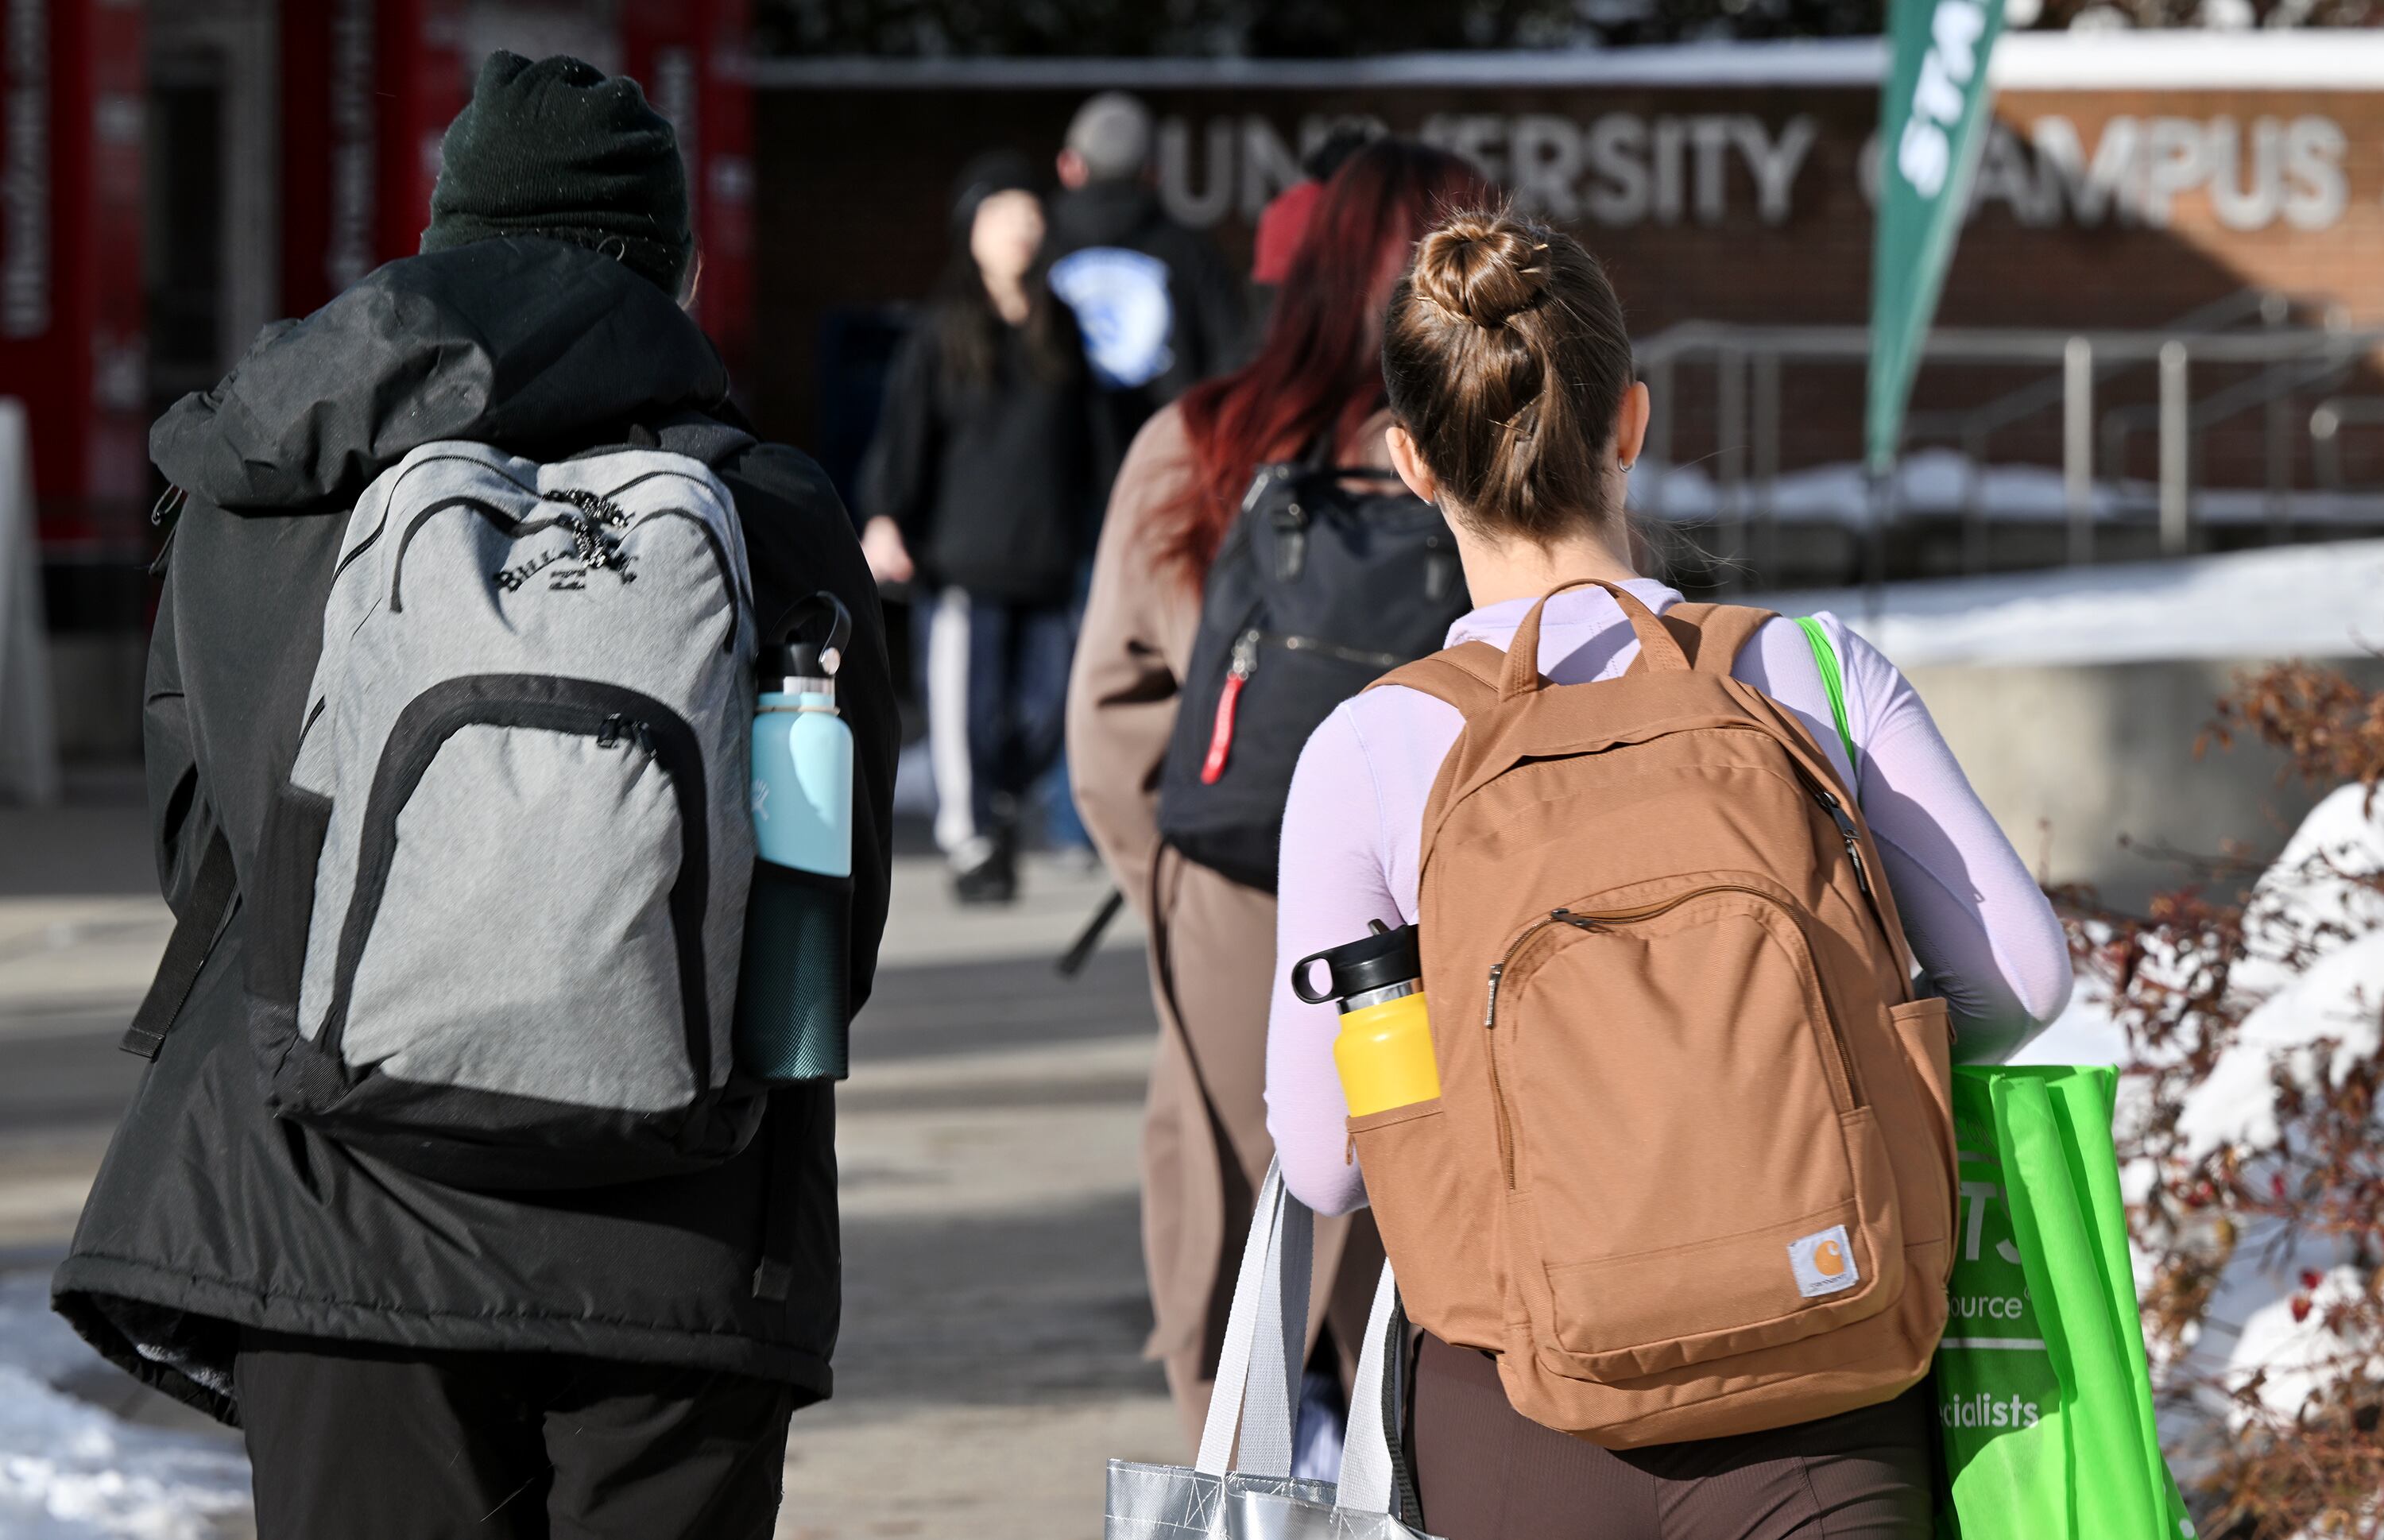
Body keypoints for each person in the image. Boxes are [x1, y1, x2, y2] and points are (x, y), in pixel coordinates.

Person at [51, 54, 899, 1539]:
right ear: (677, 271)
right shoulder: (771, 512)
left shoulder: (264, 487)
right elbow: (833, 922)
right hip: (680, 1237)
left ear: (440, 248)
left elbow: (204, 857)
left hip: (324, 1213)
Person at [1264, 209, 2076, 1538]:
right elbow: (2026, 978)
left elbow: (1323, 1162)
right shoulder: (1813, 675)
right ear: (1629, 422)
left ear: (1411, 462)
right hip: (1826, 1378)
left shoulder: (1370, 747)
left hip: (1522, 1403)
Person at [1067, 138, 1496, 1450]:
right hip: (1455, 908)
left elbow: (1107, 717)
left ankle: (1246, 1468)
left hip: (1238, 900)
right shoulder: (1487, 445)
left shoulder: (1202, 444)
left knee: (1235, 1223)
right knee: (1431, 1231)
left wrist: (1180, 880)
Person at [861, 151, 1093, 903]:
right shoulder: (941, 332)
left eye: (1031, 215)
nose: (1020, 231)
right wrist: (885, 517)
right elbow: (904, 435)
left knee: (1047, 710)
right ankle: (972, 844)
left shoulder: (1062, 327)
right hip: (962, 563)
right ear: (972, 230)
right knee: (963, 713)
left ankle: (1001, 804)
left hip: (1050, 559)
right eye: (1003, 216)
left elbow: (1093, 442)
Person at [1045, 91, 1248, 503]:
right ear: (1154, 172)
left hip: (1051, 490)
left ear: (1069, 167)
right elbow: (1235, 363)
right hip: (1165, 481)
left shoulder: (1030, 252)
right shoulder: (1195, 254)